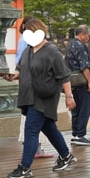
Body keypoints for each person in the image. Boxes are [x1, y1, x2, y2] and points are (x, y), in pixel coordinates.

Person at [3, 18, 77, 178]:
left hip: (45, 97)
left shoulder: (52, 52)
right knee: (48, 127)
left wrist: (69, 97)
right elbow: (20, 70)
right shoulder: (28, 51)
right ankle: (66, 156)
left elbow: (64, 76)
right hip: (29, 95)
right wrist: (11, 76)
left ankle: (25, 167)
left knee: (31, 129)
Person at [16, 16, 52, 158]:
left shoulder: (22, 41)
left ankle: (32, 151)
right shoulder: (32, 44)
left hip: (26, 85)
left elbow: (20, 64)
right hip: (36, 87)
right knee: (39, 120)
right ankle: (35, 151)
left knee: (32, 119)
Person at [64, 24, 90, 145]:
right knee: (85, 107)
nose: (89, 37)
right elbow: (85, 66)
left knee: (75, 109)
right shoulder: (81, 47)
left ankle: (75, 133)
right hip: (82, 82)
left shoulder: (70, 45)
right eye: (88, 35)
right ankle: (81, 134)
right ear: (82, 34)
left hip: (72, 82)